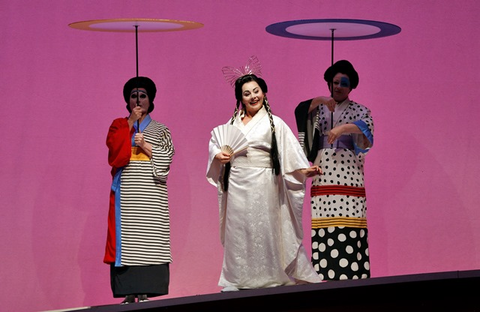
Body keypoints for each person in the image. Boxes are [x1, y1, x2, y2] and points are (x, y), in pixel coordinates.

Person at [207, 62, 322, 291]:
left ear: (264, 92)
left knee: (265, 229)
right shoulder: (232, 123)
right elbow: (215, 145)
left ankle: (270, 274)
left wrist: (303, 171)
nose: (252, 96)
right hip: (237, 181)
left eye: (256, 91)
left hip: (264, 182)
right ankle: (237, 279)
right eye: (246, 93)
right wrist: (218, 156)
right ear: (240, 98)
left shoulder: (275, 123)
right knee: (238, 231)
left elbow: (290, 153)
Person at [295, 60, 374, 281]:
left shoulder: (360, 110)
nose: (338, 86)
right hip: (324, 173)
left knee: (350, 224)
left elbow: (367, 131)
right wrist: (322, 99)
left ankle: (353, 276)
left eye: (344, 83)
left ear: (351, 87)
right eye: (335, 82)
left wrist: (342, 128)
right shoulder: (321, 108)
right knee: (324, 224)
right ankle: (324, 275)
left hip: (349, 175)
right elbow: (301, 111)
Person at [103, 76, 175, 304]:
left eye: (142, 95)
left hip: (151, 192)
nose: (138, 99)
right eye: (133, 95)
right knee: (129, 240)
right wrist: (128, 124)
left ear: (150, 99)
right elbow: (115, 155)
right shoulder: (118, 125)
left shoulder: (162, 129)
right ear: (127, 100)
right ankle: (130, 290)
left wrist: (144, 144)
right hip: (128, 191)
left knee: (151, 238)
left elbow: (166, 160)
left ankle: (147, 289)